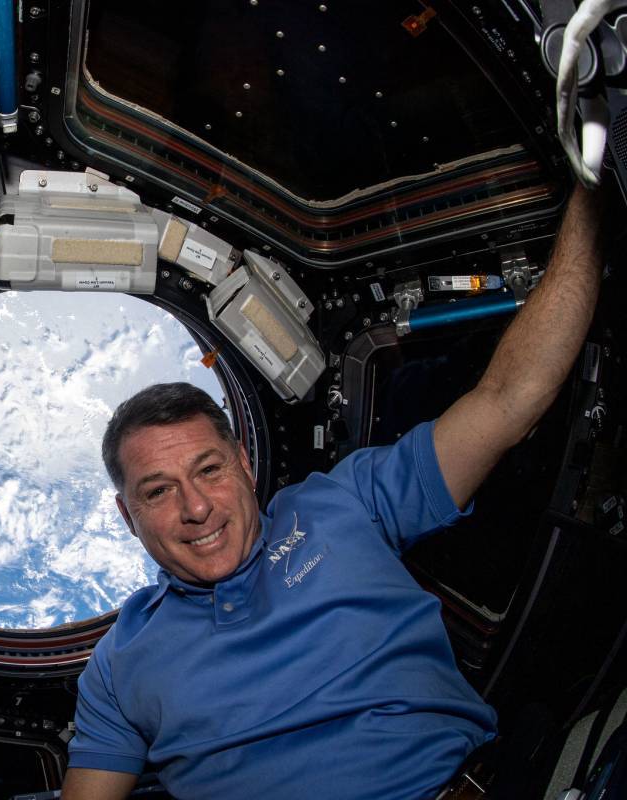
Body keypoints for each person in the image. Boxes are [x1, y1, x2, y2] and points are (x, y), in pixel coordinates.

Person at [61, 185, 604, 800]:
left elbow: (509, 399)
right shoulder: (117, 666)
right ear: (128, 517)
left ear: (244, 462)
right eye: (158, 491)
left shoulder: (345, 503)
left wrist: (592, 195)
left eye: (208, 469)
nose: (196, 507)